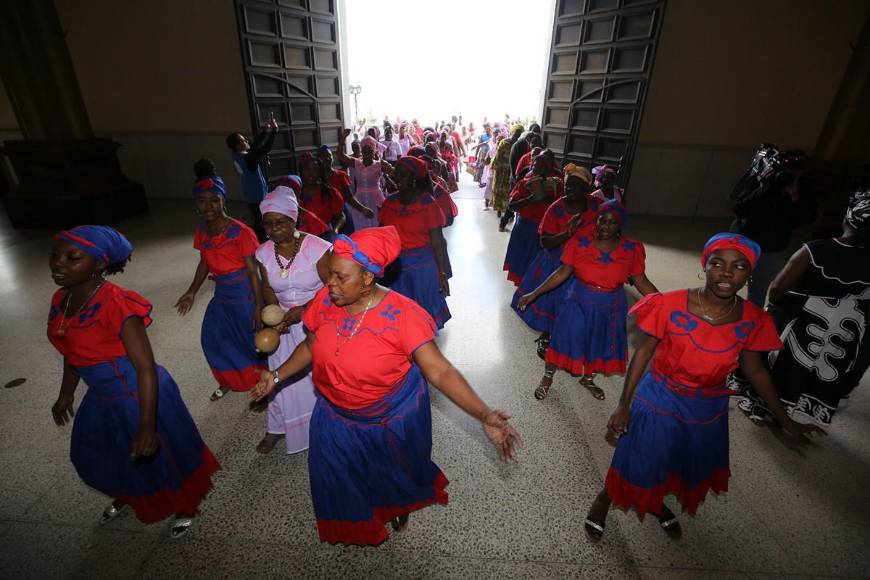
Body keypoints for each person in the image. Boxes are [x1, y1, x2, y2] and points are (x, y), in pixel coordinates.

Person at [249, 226, 521, 546]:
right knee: (340, 478)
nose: (330, 283)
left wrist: (484, 414)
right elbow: (310, 345)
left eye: (340, 277)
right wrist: (276, 376)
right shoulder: (326, 300)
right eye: (330, 274)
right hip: (334, 417)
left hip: (386, 420)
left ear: (368, 278)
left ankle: (396, 504)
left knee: (390, 476)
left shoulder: (403, 316)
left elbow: (440, 371)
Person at [583, 233, 825, 541]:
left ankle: (654, 501)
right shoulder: (669, 304)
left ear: (750, 273)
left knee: (675, 458)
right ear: (705, 267)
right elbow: (643, 352)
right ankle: (605, 498)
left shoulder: (754, 320)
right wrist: (624, 404)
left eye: (739, 266)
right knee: (638, 454)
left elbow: (756, 371)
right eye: (717, 264)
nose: (727, 273)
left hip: (706, 406)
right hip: (660, 394)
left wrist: (786, 421)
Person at [48, 226, 219, 538]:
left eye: (72, 258)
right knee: (98, 454)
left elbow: (145, 368)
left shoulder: (118, 305)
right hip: (101, 395)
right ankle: (131, 492)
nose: (59, 263)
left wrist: (147, 426)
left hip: (137, 394)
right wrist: (66, 394)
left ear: (99, 264)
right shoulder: (62, 298)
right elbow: (72, 353)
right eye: (55, 255)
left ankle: (185, 505)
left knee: (163, 457)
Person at [739, 188, 870, 426]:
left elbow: (777, 289)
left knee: (781, 364)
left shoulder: (815, 250)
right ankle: (792, 405)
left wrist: (777, 309)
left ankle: (761, 403)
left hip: (801, 322)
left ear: (847, 218)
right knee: (815, 369)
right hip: (846, 331)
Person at [518, 201, 658, 400]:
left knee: (599, 343)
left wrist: (664, 302)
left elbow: (641, 281)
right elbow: (562, 273)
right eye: (602, 220)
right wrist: (534, 293)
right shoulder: (579, 242)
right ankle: (547, 378)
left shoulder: (632, 249)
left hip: (611, 307)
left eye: (612, 222)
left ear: (620, 225)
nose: (605, 226)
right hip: (577, 302)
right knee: (563, 340)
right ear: (596, 220)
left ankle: (588, 378)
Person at [254, 187, 332, 453]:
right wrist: (275, 314)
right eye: (268, 223)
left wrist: (306, 309)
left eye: (280, 222)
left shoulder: (318, 248)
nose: (274, 229)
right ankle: (278, 427)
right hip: (283, 324)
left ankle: (320, 425)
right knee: (280, 377)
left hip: (317, 319)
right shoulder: (263, 253)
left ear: (293, 219)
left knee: (315, 377)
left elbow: (332, 287)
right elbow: (267, 287)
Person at [176, 176, 265, 400]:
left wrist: (258, 305)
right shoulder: (202, 230)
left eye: (214, 200)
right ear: (196, 204)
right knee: (213, 336)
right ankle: (231, 379)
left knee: (251, 339)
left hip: (244, 293)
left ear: (224, 200)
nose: (209, 206)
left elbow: (253, 272)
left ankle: (265, 383)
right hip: (222, 293)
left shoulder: (241, 232)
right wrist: (191, 291)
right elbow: (204, 262)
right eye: (202, 201)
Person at [511, 164, 597, 358]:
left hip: (587, 264)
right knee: (555, 302)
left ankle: (573, 339)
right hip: (557, 263)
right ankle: (547, 336)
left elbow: (611, 226)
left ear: (587, 188)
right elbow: (544, 241)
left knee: (577, 307)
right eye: (567, 185)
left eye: (575, 185)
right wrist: (567, 233)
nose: (570, 189)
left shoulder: (596, 206)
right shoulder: (556, 208)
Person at [730, 153, 817, 306]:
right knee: (729, 281)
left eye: (793, 174)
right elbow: (739, 209)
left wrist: (795, 197)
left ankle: (752, 317)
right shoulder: (764, 179)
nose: (787, 177)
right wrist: (761, 188)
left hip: (773, 248)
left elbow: (805, 220)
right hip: (744, 241)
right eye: (785, 172)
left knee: (758, 289)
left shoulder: (803, 188)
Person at [379, 156, 452, 329]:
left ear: (414, 178)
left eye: (403, 175)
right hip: (395, 268)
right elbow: (382, 236)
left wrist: (441, 273)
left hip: (422, 268)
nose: (397, 178)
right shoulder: (390, 202)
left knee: (423, 319)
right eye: (396, 174)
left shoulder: (427, 203)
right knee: (399, 319)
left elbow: (438, 242)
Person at [503, 150, 563, 286]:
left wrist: (548, 199)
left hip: (543, 232)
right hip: (524, 229)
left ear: (548, 170)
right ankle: (522, 289)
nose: (538, 169)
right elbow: (512, 205)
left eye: (542, 166)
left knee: (536, 266)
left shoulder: (555, 187)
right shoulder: (523, 184)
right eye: (536, 165)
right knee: (521, 261)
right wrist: (529, 199)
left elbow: (560, 208)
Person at [227, 113, 279, 241]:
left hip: (250, 194)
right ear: (238, 145)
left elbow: (254, 145)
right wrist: (274, 132)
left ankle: (260, 238)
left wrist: (266, 130)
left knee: (258, 217)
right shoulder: (248, 158)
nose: (246, 140)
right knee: (261, 219)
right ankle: (262, 240)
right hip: (257, 194)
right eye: (243, 140)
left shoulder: (238, 155)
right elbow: (265, 148)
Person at [338, 129, 393, 230]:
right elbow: (340, 155)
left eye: (370, 150)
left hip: (376, 199)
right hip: (359, 200)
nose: (367, 153)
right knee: (359, 225)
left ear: (374, 151)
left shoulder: (380, 164)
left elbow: (394, 173)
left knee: (377, 224)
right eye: (364, 150)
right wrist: (343, 139)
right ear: (361, 151)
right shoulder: (356, 163)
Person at [318, 145, 375, 236]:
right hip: (323, 215)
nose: (327, 159)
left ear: (333, 158)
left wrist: (363, 209)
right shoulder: (316, 179)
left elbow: (349, 197)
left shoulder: (341, 176)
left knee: (345, 239)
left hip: (342, 213)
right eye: (323, 157)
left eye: (329, 156)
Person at [296, 153, 345, 241]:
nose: (311, 173)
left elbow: (341, 216)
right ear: (301, 170)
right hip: (300, 238)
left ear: (320, 172)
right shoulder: (294, 192)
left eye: (315, 169)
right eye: (307, 169)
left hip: (324, 237)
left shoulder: (329, 192)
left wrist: (336, 230)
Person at [495, 124, 526, 230]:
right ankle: (501, 211)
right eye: (516, 132)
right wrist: (496, 168)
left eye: (519, 133)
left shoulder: (523, 145)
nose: (517, 135)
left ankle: (509, 213)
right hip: (505, 171)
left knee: (510, 195)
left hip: (516, 174)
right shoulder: (507, 143)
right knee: (502, 192)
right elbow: (498, 157)